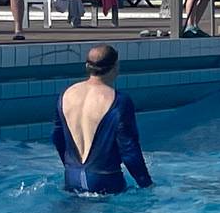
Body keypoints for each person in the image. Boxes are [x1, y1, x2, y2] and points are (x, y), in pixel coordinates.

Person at [51, 45, 153, 195]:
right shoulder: (118, 101)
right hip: (105, 180)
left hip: (71, 178)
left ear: (87, 66)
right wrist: (147, 185)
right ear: (116, 67)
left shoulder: (67, 94)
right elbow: (129, 150)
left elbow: (57, 138)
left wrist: (70, 167)